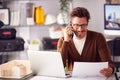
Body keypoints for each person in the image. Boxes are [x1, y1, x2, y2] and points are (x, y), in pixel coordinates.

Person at [57, 7, 114, 77]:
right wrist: (66, 41)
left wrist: (110, 70)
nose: (80, 29)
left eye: (83, 25)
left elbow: (109, 64)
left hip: (95, 78)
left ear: (87, 23)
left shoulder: (98, 38)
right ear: (71, 25)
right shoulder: (63, 40)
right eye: (76, 25)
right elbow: (59, 66)